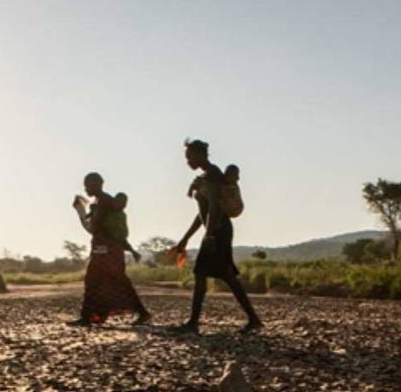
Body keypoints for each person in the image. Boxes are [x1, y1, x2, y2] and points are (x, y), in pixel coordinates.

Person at [171, 139, 263, 334]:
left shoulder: (212, 174)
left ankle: (193, 323)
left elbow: (213, 206)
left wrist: (210, 234)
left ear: (201, 155)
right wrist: (186, 238)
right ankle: (253, 319)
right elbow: (202, 212)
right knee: (226, 276)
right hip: (216, 230)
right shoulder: (206, 176)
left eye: (190, 157)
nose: (188, 161)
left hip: (218, 231)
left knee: (203, 274)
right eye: (186, 157)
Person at [69, 172, 151, 326]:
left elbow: (94, 228)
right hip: (111, 250)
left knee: (94, 280)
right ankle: (140, 313)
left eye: (88, 185)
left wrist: (80, 211)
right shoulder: (105, 201)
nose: (85, 188)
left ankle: (88, 317)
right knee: (115, 281)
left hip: (104, 250)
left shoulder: (102, 202)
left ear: (97, 184)